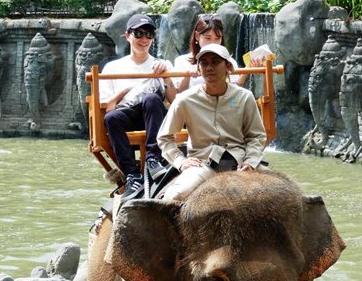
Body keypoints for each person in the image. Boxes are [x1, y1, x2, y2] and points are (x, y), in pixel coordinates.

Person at [157, 43, 266, 201]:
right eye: (204, 63)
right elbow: (164, 137)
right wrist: (180, 161)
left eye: (215, 62)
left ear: (228, 66)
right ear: (199, 69)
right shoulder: (184, 100)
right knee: (174, 196)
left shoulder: (244, 97)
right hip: (202, 163)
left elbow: (256, 136)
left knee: (282, 193)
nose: (209, 67)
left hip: (240, 161)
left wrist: (251, 162)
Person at [100, 13, 177, 199]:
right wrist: (126, 89)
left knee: (151, 98)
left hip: (153, 117)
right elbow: (107, 106)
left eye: (149, 35)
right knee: (111, 118)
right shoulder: (113, 68)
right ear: (128, 35)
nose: (144, 39)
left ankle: (153, 158)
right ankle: (132, 174)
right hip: (125, 114)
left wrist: (166, 77)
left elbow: (174, 101)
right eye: (139, 34)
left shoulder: (162, 64)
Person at [172, 14, 256, 93]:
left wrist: (248, 68)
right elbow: (179, 93)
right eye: (208, 38)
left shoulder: (229, 61)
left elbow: (235, 89)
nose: (213, 43)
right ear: (197, 36)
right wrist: (187, 75)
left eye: (217, 38)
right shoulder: (182, 61)